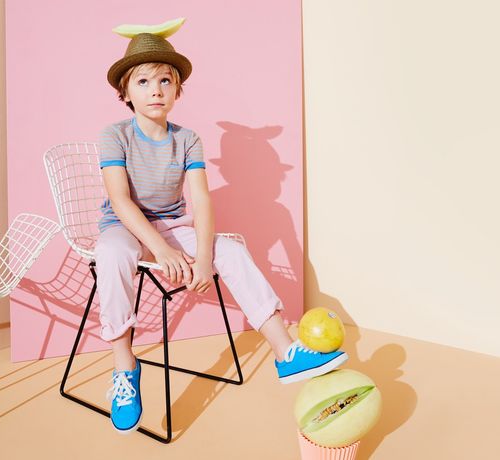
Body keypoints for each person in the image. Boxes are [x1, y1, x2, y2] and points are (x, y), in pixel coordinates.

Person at [95, 31, 347, 434]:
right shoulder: (115, 135)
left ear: (178, 89)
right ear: (125, 91)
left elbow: (202, 203)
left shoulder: (188, 140)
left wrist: (205, 259)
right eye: (143, 81)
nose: (155, 90)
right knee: (112, 255)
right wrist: (160, 250)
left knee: (230, 251)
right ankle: (124, 367)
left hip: (173, 226)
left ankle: (285, 352)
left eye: (165, 80)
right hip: (125, 227)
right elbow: (121, 201)